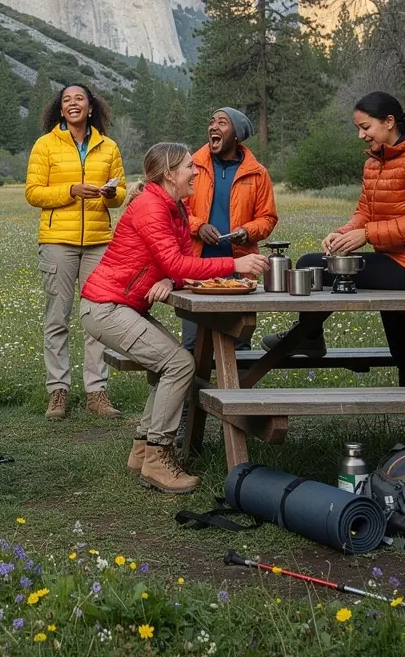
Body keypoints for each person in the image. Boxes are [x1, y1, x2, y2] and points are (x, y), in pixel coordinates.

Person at [79, 143, 269, 493]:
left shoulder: (174, 207)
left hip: (121, 306)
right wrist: (234, 264)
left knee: (172, 364)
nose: (195, 171)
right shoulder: (152, 207)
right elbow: (182, 263)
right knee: (180, 364)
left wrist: (168, 277)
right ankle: (158, 457)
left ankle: (141, 451)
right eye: (188, 167)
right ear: (169, 174)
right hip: (105, 307)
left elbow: (179, 261)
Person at [262, 92, 405, 430]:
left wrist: (368, 236)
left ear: (389, 122)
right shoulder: (376, 161)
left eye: (365, 127)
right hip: (397, 261)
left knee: (312, 264)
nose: (361, 135)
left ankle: (308, 336)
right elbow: (365, 212)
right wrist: (344, 233)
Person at [25, 83, 126, 420]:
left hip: (99, 241)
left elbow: (120, 192)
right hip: (57, 242)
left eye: (79, 99)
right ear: (60, 108)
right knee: (58, 316)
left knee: (98, 317)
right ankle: (58, 391)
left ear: (91, 107)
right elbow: (33, 192)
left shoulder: (108, 146)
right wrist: (70, 190)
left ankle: (96, 392)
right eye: (66, 100)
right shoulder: (45, 145)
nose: (73, 104)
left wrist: (110, 193)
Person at [181, 107, 278, 354]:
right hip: (198, 268)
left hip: (241, 269)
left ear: (236, 136)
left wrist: (247, 231)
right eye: (211, 121)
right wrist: (198, 226)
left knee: (240, 342)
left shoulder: (258, 173)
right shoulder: (191, 167)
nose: (213, 127)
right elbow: (176, 210)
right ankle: (193, 393)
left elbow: (267, 218)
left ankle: (240, 392)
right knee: (193, 344)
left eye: (222, 123)